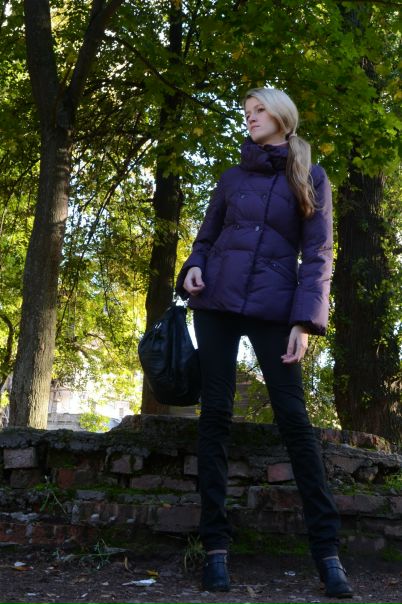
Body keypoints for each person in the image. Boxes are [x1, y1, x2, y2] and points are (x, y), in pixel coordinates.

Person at [176, 87, 353, 599]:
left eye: (259, 111)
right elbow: (206, 237)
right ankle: (215, 548)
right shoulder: (231, 178)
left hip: (276, 308)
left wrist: (304, 322)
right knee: (215, 415)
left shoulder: (311, 177)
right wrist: (194, 266)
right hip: (215, 302)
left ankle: (328, 553)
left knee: (294, 420)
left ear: (282, 117)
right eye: (246, 112)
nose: (250, 118)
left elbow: (318, 254)